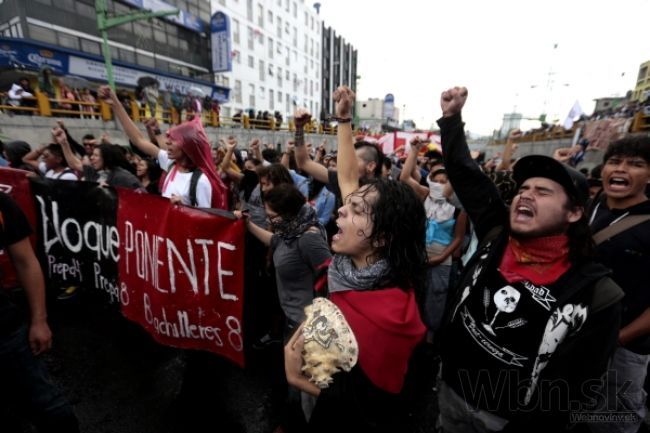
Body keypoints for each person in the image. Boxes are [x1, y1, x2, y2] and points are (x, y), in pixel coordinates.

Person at [435, 87, 623, 432]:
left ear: (574, 213)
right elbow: (466, 176)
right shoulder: (497, 233)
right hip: (451, 393)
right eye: (523, 189)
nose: (525, 195)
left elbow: (573, 391)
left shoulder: (596, 295)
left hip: (507, 421)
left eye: (542, 191)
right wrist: (451, 120)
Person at [284, 86, 427, 432]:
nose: (340, 212)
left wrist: (298, 378)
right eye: (347, 205)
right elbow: (347, 178)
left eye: (355, 210)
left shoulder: (392, 318)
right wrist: (343, 117)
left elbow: (372, 406)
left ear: (381, 237)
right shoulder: (353, 266)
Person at [0, 192, 80, 432]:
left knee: (53, 412)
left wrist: (39, 320)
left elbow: (25, 262)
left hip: (6, 333)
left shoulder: (2, 205)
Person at [587, 136, 650, 433]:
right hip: (577, 336)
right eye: (615, 161)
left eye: (635, 164)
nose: (621, 168)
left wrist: (619, 339)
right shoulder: (591, 206)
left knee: (613, 420)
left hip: (624, 348)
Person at [98, 85, 227, 209]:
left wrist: (184, 208)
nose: (168, 143)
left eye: (174, 140)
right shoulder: (171, 164)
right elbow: (138, 140)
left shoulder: (201, 181)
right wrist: (116, 104)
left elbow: (207, 222)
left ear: (188, 146)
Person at [400, 140, 468, 337]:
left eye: (444, 182)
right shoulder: (424, 195)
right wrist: (413, 150)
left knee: (435, 299)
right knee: (414, 293)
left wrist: (440, 258)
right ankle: (412, 332)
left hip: (442, 260)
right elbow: (405, 177)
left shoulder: (458, 208)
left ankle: (430, 338)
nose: (439, 185)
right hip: (418, 257)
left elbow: (458, 238)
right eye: (435, 180)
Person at [294, 107, 383, 202]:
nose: (345, 164)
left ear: (371, 166)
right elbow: (304, 162)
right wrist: (299, 128)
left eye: (353, 161)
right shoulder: (340, 179)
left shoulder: (384, 195)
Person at [53, 127, 141, 189]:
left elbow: (143, 197)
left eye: (96, 155)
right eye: (92, 155)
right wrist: (64, 143)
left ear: (106, 158)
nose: (91, 158)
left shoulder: (124, 177)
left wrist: (113, 193)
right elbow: (74, 163)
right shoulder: (92, 171)